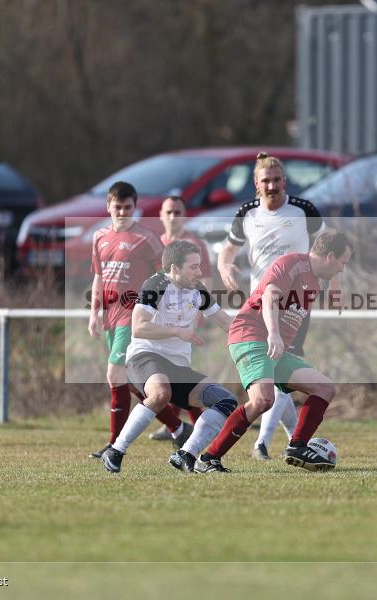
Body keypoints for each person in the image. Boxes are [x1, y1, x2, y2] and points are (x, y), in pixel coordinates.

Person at [196, 229, 352, 473]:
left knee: (325, 387)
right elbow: (270, 296)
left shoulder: (314, 280)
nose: (342, 269)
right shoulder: (291, 264)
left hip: (275, 348)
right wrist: (274, 334)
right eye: (343, 262)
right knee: (262, 400)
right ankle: (208, 459)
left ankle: (297, 447)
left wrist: (335, 289)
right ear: (330, 256)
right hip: (251, 335)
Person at [216, 152, 327, 461]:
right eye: (266, 180)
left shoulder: (304, 210)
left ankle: (274, 442)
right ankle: (278, 442)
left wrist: (336, 284)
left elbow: (326, 248)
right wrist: (226, 269)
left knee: (281, 375)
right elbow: (226, 252)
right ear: (256, 184)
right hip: (260, 305)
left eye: (277, 180)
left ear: (284, 181)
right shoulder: (247, 213)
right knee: (279, 377)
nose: (272, 186)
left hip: (294, 304)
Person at [101, 240, 238, 473]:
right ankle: (115, 450)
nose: (199, 272)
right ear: (175, 268)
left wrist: (259, 334)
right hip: (146, 355)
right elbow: (138, 327)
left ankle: (186, 454)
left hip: (177, 366)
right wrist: (177, 331)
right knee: (161, 394)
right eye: (193, 267)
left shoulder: (198, 291)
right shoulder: (157, 284)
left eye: (200, 266)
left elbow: (226, 322)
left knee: (227, 401)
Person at [87, 182, 191, 459]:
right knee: (130, 382)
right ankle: (178, 427)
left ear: (136, 208)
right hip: (110, 315)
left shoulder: (146, 238)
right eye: (117, 207)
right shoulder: (99, 237)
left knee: (115, 374)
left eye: (128, 207)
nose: (122, 212)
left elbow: (166, 274)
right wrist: (94, 313)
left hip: (133, 317)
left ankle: (114, 445)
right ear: (108, 207)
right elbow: (99, 276)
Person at [148, 196, 213, 441]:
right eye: (169, 212)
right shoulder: (155, 244)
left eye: (178, 211)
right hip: (159, 321)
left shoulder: (194, 243)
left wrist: (198, 315)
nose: (173, 216)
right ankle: (174, 427)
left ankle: (194, 428)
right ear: (161, 216)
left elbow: (204, 280)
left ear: (184, 215)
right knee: (166, 372)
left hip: (184, 320)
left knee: (179, 373)